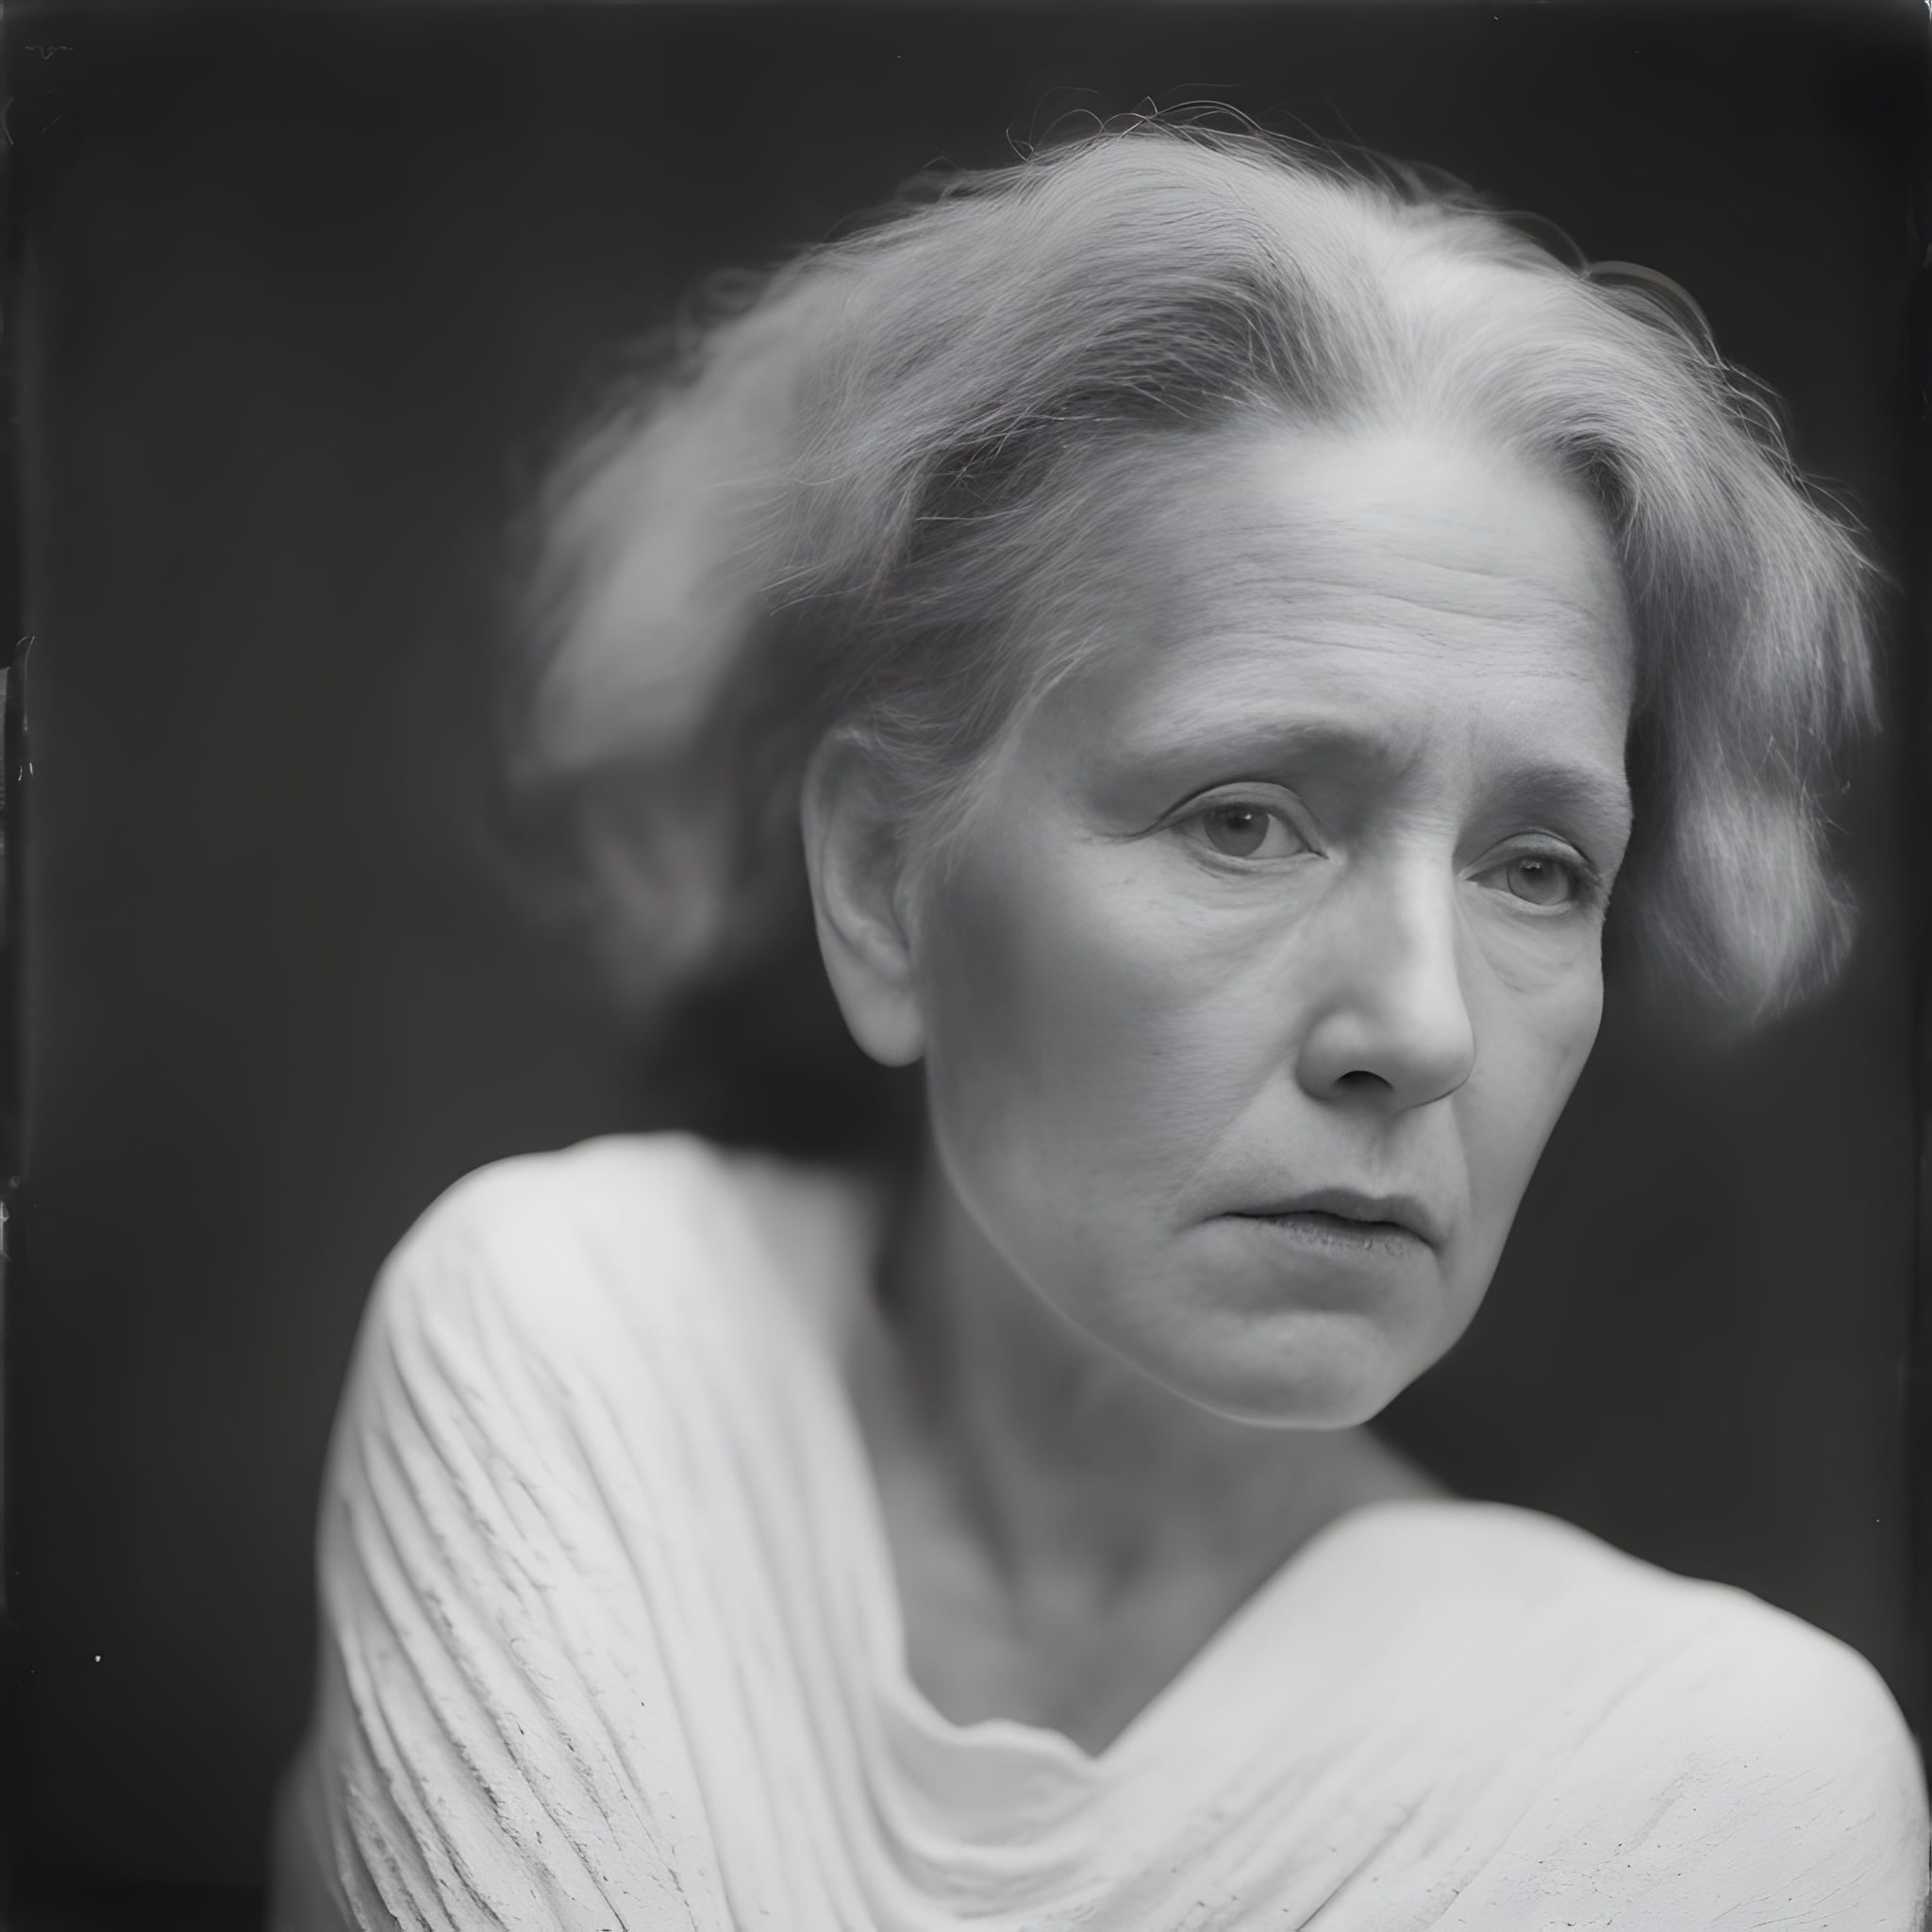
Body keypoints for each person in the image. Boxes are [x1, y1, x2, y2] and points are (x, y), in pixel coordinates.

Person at [270, 125, 1931, 1928]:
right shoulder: (588, 1328)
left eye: (1536, 870)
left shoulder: (1711, 1778)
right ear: (882, 885)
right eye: (1243, 819)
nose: (1422, 1025)